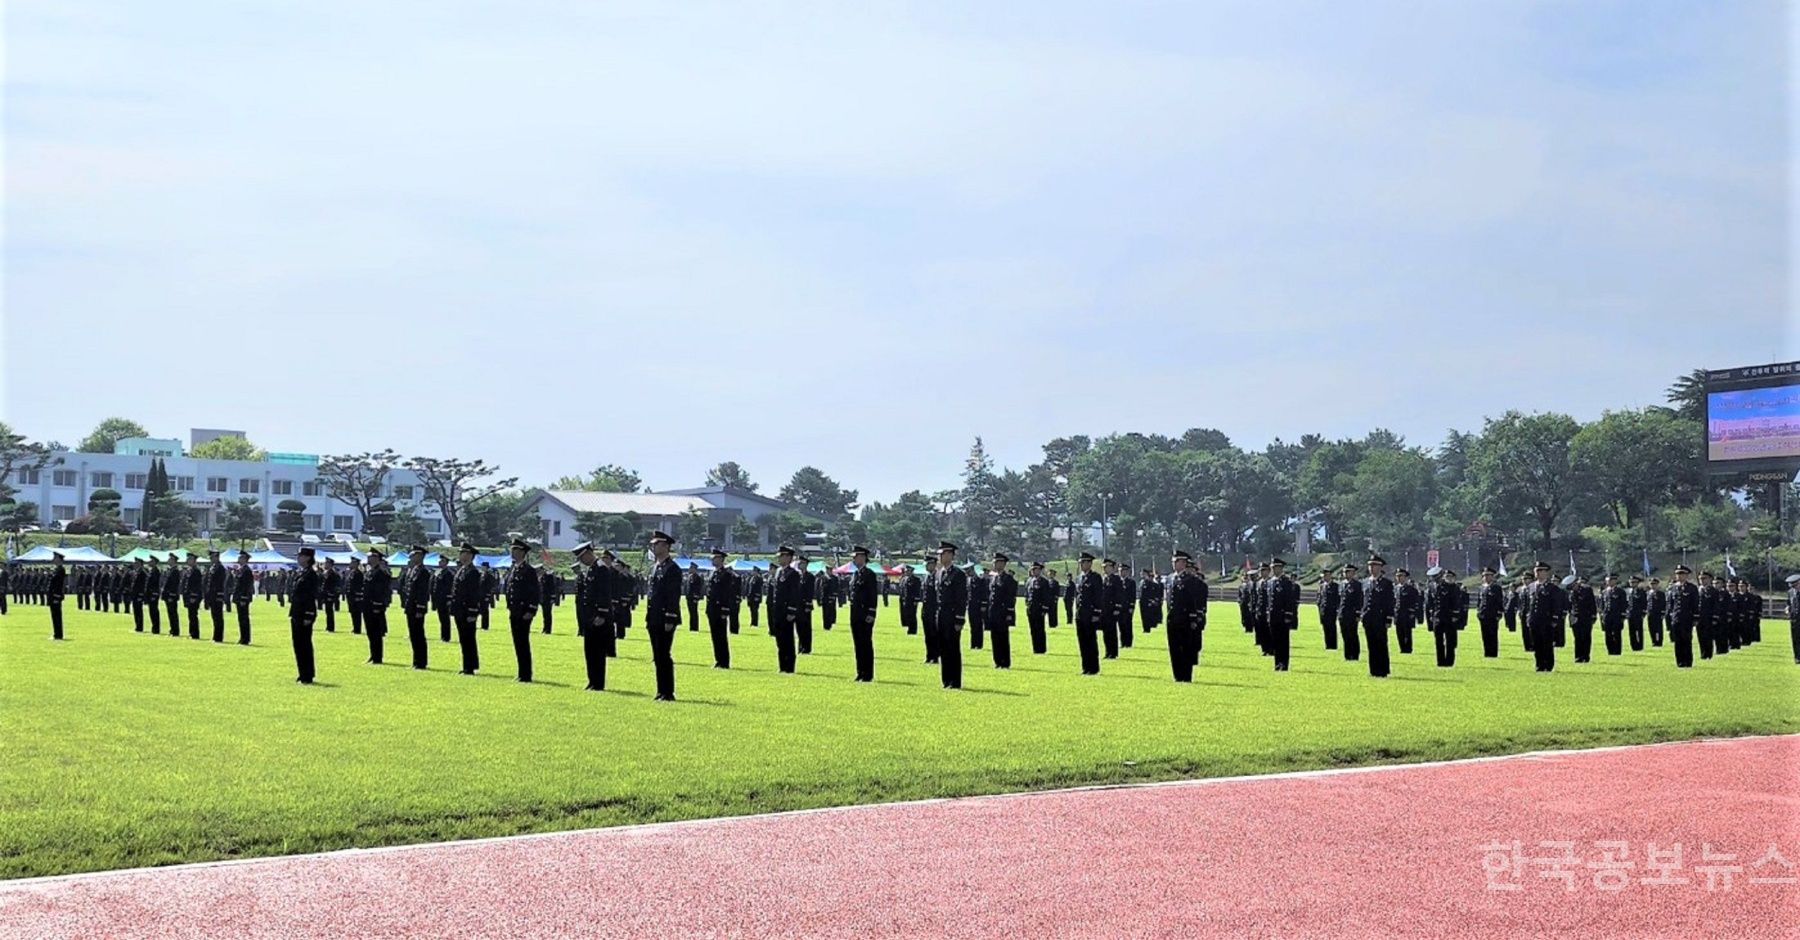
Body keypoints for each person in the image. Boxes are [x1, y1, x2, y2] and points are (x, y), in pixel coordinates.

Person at [644, 531, 682, 701]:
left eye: (657, 544)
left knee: (664, 654)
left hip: (665, 617)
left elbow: (672, 595)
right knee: (657, 655)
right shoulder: (655, 567)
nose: (653, 546)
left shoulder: (672, 569)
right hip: (653, 617)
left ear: (666, 546)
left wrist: (670, 617)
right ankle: (660, 690)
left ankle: (668, 692)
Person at [932, 542, 968, 689]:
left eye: (942, 554)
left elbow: (961, 598)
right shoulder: (939, 573)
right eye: (939, 554)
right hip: (941, 615)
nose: (940, 557)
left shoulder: (958, 574)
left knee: (953, 648)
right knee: (943, 648)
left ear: (950, 555)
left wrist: (960, 618)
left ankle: (955, 681)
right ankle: (946, 680)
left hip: (953, 615)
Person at [505, 538, 540, 682]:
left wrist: (531, 610)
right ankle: (521, 672)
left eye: (515, 550)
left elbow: (534, 592)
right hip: (515, 611)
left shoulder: (528, 570)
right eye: (512, 549)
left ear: (522, 552)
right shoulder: (515, 568)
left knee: (523, 642)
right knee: (518, 642)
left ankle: (526, 674)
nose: (512, 552)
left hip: (524, 612)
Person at [1166, 551, 1204, 680]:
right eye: (1173, 562)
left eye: (1176, 562)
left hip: (1185, 619)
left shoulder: (1190, 580)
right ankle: (1177, 675)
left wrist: (1193, 618)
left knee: (1186, 647)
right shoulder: (1170, 578)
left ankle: (1186, 675)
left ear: (1183, 563)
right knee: (1174, 648)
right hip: (1172, 619)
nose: (1174, 564)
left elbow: (1193, 600)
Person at [1522, 561, 1564, 672]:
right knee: (1537, 644)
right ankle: (1539, 665)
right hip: (1534, 620)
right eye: (1537, 571)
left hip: (1546, 620)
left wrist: (1554, 618)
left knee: (1547, 644)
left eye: (1541, 571)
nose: (1538, 573)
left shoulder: (1552, 588)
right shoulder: (1530, 587)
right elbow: (1527, 604)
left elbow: (1556, 604)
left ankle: (1548, 665)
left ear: (1546, 573)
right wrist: (1528, 617)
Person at [450, 543, 485, 674]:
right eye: (461, 553)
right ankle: (467, 664)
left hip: (467, 610)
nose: (462, 556)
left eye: (465, 554)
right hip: (459, 609)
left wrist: (473, 611)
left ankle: (469, 666)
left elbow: (474, 594)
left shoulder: (473, 573)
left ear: (471, 556)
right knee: (463, 638)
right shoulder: (462, 570)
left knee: (469, 638)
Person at [848, 546, 880, 681]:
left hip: (865, 614)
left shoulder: (869, 574)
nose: (854, 559)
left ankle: (867, 674)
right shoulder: (856, 574)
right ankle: (860, 671)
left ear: (863, 557)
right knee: (858, 644)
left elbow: (872, 595)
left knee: (865, 643)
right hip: (855, 613)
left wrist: (871, 613)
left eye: (856, 556)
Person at [290, 547, 320, 684]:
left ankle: (307, 674)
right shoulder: (303, 573)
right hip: (297, 612)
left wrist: (309, 615)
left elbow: (310, 596)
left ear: (308, 558)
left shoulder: (311, 575)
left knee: (304, 645)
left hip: (304, 613)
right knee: (298, 645)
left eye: (301, 556)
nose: (298, 558)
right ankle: (302, 672)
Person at [1360, 555, 1394, 677]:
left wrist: (1389, 618)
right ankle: (1373, 669)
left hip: (1380, 617)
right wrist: (1362, 614)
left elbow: (1389, 601)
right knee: (1371, 644)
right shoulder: (1365, 582)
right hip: (1368, 617)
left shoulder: (1386, 583)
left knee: (1381, 643)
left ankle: (1383, 669)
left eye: (1374, 565)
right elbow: (1363, 600)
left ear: (1380, 567)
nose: (1371, 568)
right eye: (1370, 565)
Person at [400, 546, 433, 669]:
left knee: (418, 635)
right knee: (413, 634)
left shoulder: (423, 572)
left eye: (414, 555)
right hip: (410, 607)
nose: (411, 557)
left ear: (420, 556)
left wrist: (420, 608)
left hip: (417, 607)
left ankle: (421, 662)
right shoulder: (413, 570)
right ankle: (416, 661)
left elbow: (422, 592)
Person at [705, 548, 739, 669]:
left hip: (720, 609)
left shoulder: (727, 575)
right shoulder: (713, 573)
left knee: (721, 636)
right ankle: (718, 660)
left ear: (721, 559)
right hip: (712, 609)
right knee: (715, 636)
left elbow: (727, 593)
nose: (712, 560)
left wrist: (725, 609)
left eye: (715, 558)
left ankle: (724, 661)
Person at [771, 546, 803, 673]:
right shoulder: (779, 571)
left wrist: (791, 610)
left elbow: (794, 594)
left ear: (789, 558)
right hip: (778, 610)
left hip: (786, 610)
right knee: (780, 639)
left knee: (788, 639)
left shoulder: (793, 574)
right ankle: (782, 665)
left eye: (782, 556)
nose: (779, 558)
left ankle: (789, 666)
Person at [1266, 558, 1300, 672]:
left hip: (1282, 616)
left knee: (1283, 641)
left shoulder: (1286, 582)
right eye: (1273, 568)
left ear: (1281, 568)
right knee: (1275, 641)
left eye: (1276, 568)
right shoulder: (1271, 582)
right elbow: (1269, 600)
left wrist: (1288, 615)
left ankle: (1284, 664)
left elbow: (1289, 600)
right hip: (1273, 615)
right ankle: (1277, 663)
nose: (1274, 570)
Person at [1074, 552, 1105, 675]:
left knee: (1091, 641)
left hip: (1090, 614)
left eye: (1083, 563)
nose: (1081, 565)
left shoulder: (1095, 578)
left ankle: (1093, 668)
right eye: (1080, 563)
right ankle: (1085, 667)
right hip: (1080, 614)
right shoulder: (1079, 577)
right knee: (1082, 642)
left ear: (1089, 563)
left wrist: (1096, 613)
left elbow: (1098, 596)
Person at [986, 552, 1017, 669]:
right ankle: (997, 660)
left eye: (997, 562)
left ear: (1003, 564)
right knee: (994, 637)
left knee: (1003, 637)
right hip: (993, 612)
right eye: (994, 562)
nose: (995, 564)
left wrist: (1009, 613)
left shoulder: (1008, 579)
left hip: (1003, 612)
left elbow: (1010, 598)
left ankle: (1005, 661)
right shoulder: (993, 578)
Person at [362, 549, 393, 665]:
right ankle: (373, 655)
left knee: (376, 632)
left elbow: (382, 591)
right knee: (370, 631)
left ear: (377, 559)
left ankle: (377, 657)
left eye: (371, 557)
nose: (368, 559)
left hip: (375, 606)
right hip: (367, 605)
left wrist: (378, 605)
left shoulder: (381, 573)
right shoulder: (369, 572)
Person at [1667, 565, 1699, 668]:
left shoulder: (1692, 588)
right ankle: (1680, 662)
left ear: (1686, 575)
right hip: (1676, 618)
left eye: (1682, 574)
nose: (1679, 576)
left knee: (1687, 640)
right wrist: (1669, 618)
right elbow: (1670, 604)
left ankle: (1688, 662)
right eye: (1678, 574)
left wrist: (1695, 618)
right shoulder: (1672, 588)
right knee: (1678, 641)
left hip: (1687, 618)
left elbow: (1695, 604)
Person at [1567, 574, 1597, 663]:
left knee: (1586, 638)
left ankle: (1585, 656)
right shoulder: (1571, 593)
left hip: (1586, 617)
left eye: (1574, 586)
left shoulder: (1587, 590)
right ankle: (1578, 656)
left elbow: (1592, 603)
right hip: (1575, 618)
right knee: (1577, 638)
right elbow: (1570, 606)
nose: (1573, 588)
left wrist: (1593, 615)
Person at [1025, 561, 1053, 654]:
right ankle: (1035, 648)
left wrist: (1044, 609)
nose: (1033, 571)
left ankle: (1041, 649)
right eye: (1032, 569)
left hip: (1039, 608)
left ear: (1039, 570)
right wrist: (1027, 605)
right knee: (1033, 629)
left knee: (1040, 629)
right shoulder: (1029, 581)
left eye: (1035, 569)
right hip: (1031, 608)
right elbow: (1027, 594)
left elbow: (1046, 596)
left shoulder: (1044, 581)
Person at [1476, 566, 1504, 658]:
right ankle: (1487, 652)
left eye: (1488, 575)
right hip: (1483, 614)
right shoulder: (1482, 588)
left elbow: (1499, 601)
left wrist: (1499, 613)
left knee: (1492, 634)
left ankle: (1493, 653)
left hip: (1492, 615)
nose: (1486, 577)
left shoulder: (1496, 588)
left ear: (1492, 576)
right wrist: (1479, 611)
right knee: (1485, 635)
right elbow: (1479, 601)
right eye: (1484, 576)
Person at [1336, 564, 1362, 660]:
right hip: (1343, 613)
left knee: (1353, 634)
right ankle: (1347, 654)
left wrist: (1358, 613)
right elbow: (1340, 599)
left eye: (1348, 572)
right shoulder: (1342, 584)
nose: (1346, 574)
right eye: (1344, 572)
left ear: (1353, 573)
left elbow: (1359, 600)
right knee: (1345, 634)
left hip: (1352, 613)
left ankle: (1354, 654)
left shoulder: (1357, 585)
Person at [1599, 573, 1628, 656]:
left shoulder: (1620, 592)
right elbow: (1602, 604)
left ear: (1615, 581)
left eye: (1611, 580)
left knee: (1616, 633)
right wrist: (1602, 615)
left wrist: (1623, 615)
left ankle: (1617, 651)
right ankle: (1610, 650)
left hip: (1617, 616)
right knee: (1608, 634)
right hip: (1607, 616)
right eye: (1607, 581)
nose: (1609, 582)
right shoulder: (1605, 592)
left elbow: (1623, 604)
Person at [1393, 568, 1420, 654]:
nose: (1399, 578)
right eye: (1397, 576)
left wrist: (1413, 613)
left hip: (1407, 614)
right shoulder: (1396, 588)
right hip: (1398, 614)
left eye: (1401, 576)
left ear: (1405, 577)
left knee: (1407, 632)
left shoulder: (1411, 589)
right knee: (1399, 632)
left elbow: (1416, 602)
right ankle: (1402, 648)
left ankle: (1408, 649)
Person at [1100, 559, 1123, 659]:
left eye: (1107, 567)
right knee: (1106, 632)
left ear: (1112, 568)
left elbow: (1119, 594)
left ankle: (1113, 652)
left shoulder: (1116, 579)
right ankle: (1107, 651)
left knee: (1112, 632)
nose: (1105, 569)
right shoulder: (1104, 579)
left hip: (1112, 609)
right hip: (1104, 609)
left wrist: (1117, 607)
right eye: (1104, 567)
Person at [204, 549, 228, 642]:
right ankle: (215, 635)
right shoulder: (212, 567)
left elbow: (219, 583)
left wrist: (219, 595)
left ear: (217, 557)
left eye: (212, 557)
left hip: (217, 595)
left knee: (218, 617)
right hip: (211, 595)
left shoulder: (220, 568)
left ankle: (218, 637)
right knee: (214, 616)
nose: (211, 559)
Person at [920, 555, 940, 664]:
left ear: (933, 564)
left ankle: (935, 656)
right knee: (927, 634)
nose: (926, 567)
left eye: (928, 564)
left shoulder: (938, 576)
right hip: (926, 610)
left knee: (934, 634)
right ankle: (929, 656)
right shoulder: (926, 577)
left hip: (934, 609)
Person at [181, 553, 204, 639]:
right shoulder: (189, 570)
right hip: (188, 596)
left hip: (193, 597)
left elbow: (197, 586)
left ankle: (195, 634)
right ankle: (191, 632)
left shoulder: (196, 571)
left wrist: (193, 597)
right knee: (191, 615)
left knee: (193, 615)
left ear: (194, 561)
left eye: (189, 559)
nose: (187, 561)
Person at [966, 563, 989, 651]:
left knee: (978, 625)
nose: (967, 573)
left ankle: (979, 644)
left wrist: (983, 604)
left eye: (968, 571)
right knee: (972, 625)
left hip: (979, 605)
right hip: (971, 606)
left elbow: (984, 593)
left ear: (972, 570)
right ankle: (973, 644)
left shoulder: (980, 580)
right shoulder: (968, 580)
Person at [1316, 571, 1339, 651]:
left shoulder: (1335, 586)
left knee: (1332, 628)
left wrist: (1336, 609)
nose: (1324, 577)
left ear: (1330, 576)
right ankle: (1327, 645)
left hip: (1332, 611)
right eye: (1323, 576)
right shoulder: (1321, 586)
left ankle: (1333, 645)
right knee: (1325, 628)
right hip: (1323, 611)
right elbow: (1319, 598)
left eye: (1326, 576)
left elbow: (1338, 598)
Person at [47, 552, 67, 640]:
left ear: (59, 559)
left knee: (57, 616)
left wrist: (57, 596)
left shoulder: (61, 570)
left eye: (55, 558)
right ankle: (56, 633)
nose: (53, 559)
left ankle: (58, 635)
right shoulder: (56, 570)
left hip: (56, 596)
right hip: (53, 596)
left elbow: (59, 585)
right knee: (54, 616)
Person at [162, 553, 182, 637]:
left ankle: (175, 631)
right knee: (170, 613)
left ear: (173, 560)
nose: (168, 560)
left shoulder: (175, 571)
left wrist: (171, 595)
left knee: (173, 613)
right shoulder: (170, 570)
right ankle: (172, 629)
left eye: (170, 559)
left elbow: (174, 585)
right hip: (168, 595)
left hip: (171, 596)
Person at [1626, 575, 1648, 651]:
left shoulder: (1641, 592)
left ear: (1637, 583)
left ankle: (1640, 645)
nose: (1632, 583)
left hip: (1638, 614)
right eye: (1631, 582)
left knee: (1639, 630)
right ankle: (1633, 646)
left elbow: (1644, 603)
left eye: (1634, 582)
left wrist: (1643, 613)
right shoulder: (1628, 592)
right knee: (1631, 631)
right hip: (1630, 614)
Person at [318, 556, 340, 634]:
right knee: (327, 611)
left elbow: (335, 585)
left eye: (326, 563)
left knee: (330, 611)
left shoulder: (333, 574)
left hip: (329, 595)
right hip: (325, 594)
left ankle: (331, 627)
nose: (325, 564)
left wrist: (331, 594)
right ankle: (328, 626)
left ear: (330, 564)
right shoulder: (325, 572)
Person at [346, 556, 366, 635]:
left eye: (352, 562)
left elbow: (359, 586)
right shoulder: (351, 573)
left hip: (356, 597)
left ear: (356, 564)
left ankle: (357, 629)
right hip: (350, 596)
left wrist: (358, 596)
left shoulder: (359, 574)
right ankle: (355, 627)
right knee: (352, 612)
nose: (350, 564)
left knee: (357, 613)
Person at [900, 564, 922, 636]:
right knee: (906, 615)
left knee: (912, 615)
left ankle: (913, 630)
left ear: (912, 571)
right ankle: (908, 627)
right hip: (906, 600)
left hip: (912, 601)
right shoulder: (904, 579)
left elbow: (917, 591)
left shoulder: (916, 580)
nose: (907, 572)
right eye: (906, 571)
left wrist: (916, 600)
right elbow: (902, 590)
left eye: (908, 571)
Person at [1118, 564, 1137, 641]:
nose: (1121, 572)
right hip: (1119, 607)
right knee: (1120, 624)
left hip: (1127, 607)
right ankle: (1122, 641)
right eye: (1120, 571)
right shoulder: (1117, 582)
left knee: (1128, 624)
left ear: (1126, 572)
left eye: (1123, 571)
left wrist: (1131, 606)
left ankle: (1128, 641)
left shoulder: (1131, 582)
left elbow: (1133, 595)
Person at [145, 556, 164, 634]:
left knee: (154, 611)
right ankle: (154, 628)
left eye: (151, 561)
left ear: (155, 562)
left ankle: (156, 628)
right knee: (151, 611)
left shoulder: (156, 571)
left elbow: (156, 584)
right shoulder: (151, 571)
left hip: (153, 594)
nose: (149, 562)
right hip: (150, 594)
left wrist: (154, 594)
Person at [1646, 576, 1667, 647]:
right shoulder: (1648, 593)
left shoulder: (1661, 594)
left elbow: (1663, 604)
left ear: (1657, 584)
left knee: (1658, 629)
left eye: (1654, 584)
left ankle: (1659, 642)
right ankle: (1653, 641)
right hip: (1650, 613)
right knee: (1651, 628)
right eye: (1651, 584)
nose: (1653, 585)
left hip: (1658, 613)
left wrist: (1663, 613)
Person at [684, 562, 704, 633]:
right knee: (691, 613)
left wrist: (696, 597)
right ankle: (691, 627)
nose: (689, 569)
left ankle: (695, 627)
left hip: (694, 598)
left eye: (691, 568)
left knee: (694, 613)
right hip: (689, 597)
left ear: (694, 569)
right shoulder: (689, 577)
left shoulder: (697, 577)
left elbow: (698, 588)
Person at [1784, 572, 1799, 665]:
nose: (1794, 587)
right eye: (1792, 585)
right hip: (1794, 619)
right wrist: (1787, 609)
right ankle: (1797, 657)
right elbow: (1788, 604)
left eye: (1795, 585)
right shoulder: (1790, 592)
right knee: (1796, 639)